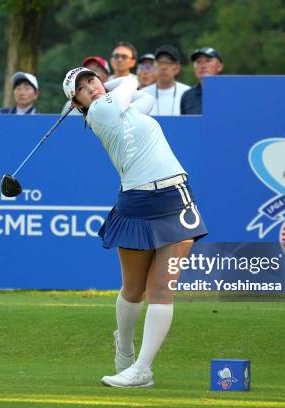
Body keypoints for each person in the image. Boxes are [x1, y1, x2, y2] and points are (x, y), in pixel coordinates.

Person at [63, 67, 208, 388]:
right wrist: (106, 87)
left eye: (92, 80)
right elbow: (131, 82)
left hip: (175, 199)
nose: (92, 88)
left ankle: (142, 369)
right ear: (78, 105)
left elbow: (144, 98)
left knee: (161, 290)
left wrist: (99, 87)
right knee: (134, 288)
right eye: (83, 89)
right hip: (137, 202)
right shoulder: (99, 112)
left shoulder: (119, 108)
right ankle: (124, 348)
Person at [141, 45, 189, 116]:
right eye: (160, 62)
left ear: (177, 68)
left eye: (168, 63)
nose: (163, 67)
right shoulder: (143, 94)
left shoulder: (187, 93)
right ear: (154, 66)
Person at [180, 47, 224, 115]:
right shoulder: (187, 96)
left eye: (208, 60)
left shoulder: (230, 92)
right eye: (198, 62)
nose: (203, 66)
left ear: (220, 66)